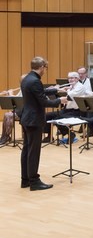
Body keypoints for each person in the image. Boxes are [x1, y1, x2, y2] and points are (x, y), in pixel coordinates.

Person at [20, 57, 67, 191]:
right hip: (34, 120)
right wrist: (60, 100)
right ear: (41, 67)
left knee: (27, 150)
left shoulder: (27, 78)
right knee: (34, 151)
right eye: (45, 68)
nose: (45, 71)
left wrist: (54, 89)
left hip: (27, 118)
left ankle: (25, 180)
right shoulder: (35, 81)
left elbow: (39, 92)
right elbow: (44, 102)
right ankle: (34, 181)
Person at [44, 71, 87, 143]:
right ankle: (49, 136)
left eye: (72, 78)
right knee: (47, 115)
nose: (70, 80)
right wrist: (54, 89)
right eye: (69, 78)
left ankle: (71, 134)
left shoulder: (80, 87)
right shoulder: (71, 87)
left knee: (57, 119)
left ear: (77, 79)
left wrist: (58, 89)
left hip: (76, 111)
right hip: (66, 110)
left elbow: (70, 95)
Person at [0, 74, 27, 145]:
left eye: (22, 81)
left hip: (26, 110)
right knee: (7, 114)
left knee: (9, 115)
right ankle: (5, 136)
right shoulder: (22, 89)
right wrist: (8, 94)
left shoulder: (28, 89)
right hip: (20, 109)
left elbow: (20, 100)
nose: (21, 83)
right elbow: (17, 99)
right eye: (20, 81)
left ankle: (5, 137)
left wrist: (10, 95)